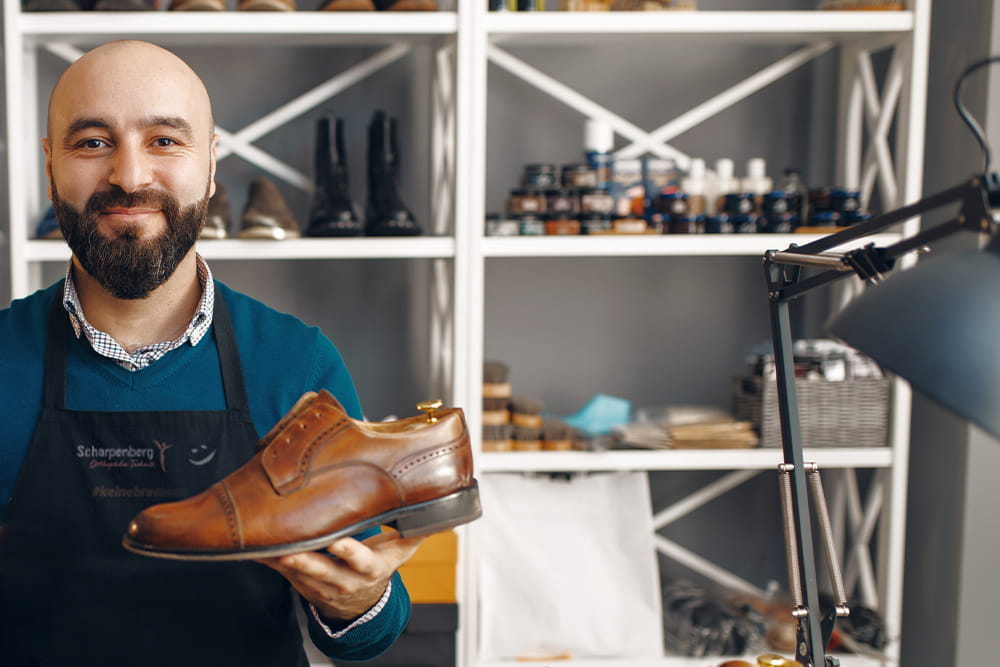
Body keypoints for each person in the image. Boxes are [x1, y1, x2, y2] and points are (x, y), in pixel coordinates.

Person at [0, 39, 422, 665]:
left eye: (165, 140)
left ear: (211, 163)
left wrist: (356, 599)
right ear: (49, 164)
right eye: (93, 142)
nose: (130, 176)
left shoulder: (296, 362)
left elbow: (370, 633)